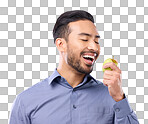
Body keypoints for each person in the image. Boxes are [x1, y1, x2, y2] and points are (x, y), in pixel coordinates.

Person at [9, 10, 139, 124]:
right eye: (84, 39)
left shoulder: (112, 97)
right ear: (61, 44)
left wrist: (119, 98)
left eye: (97, 41)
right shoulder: (26, 100)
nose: (94, 47)